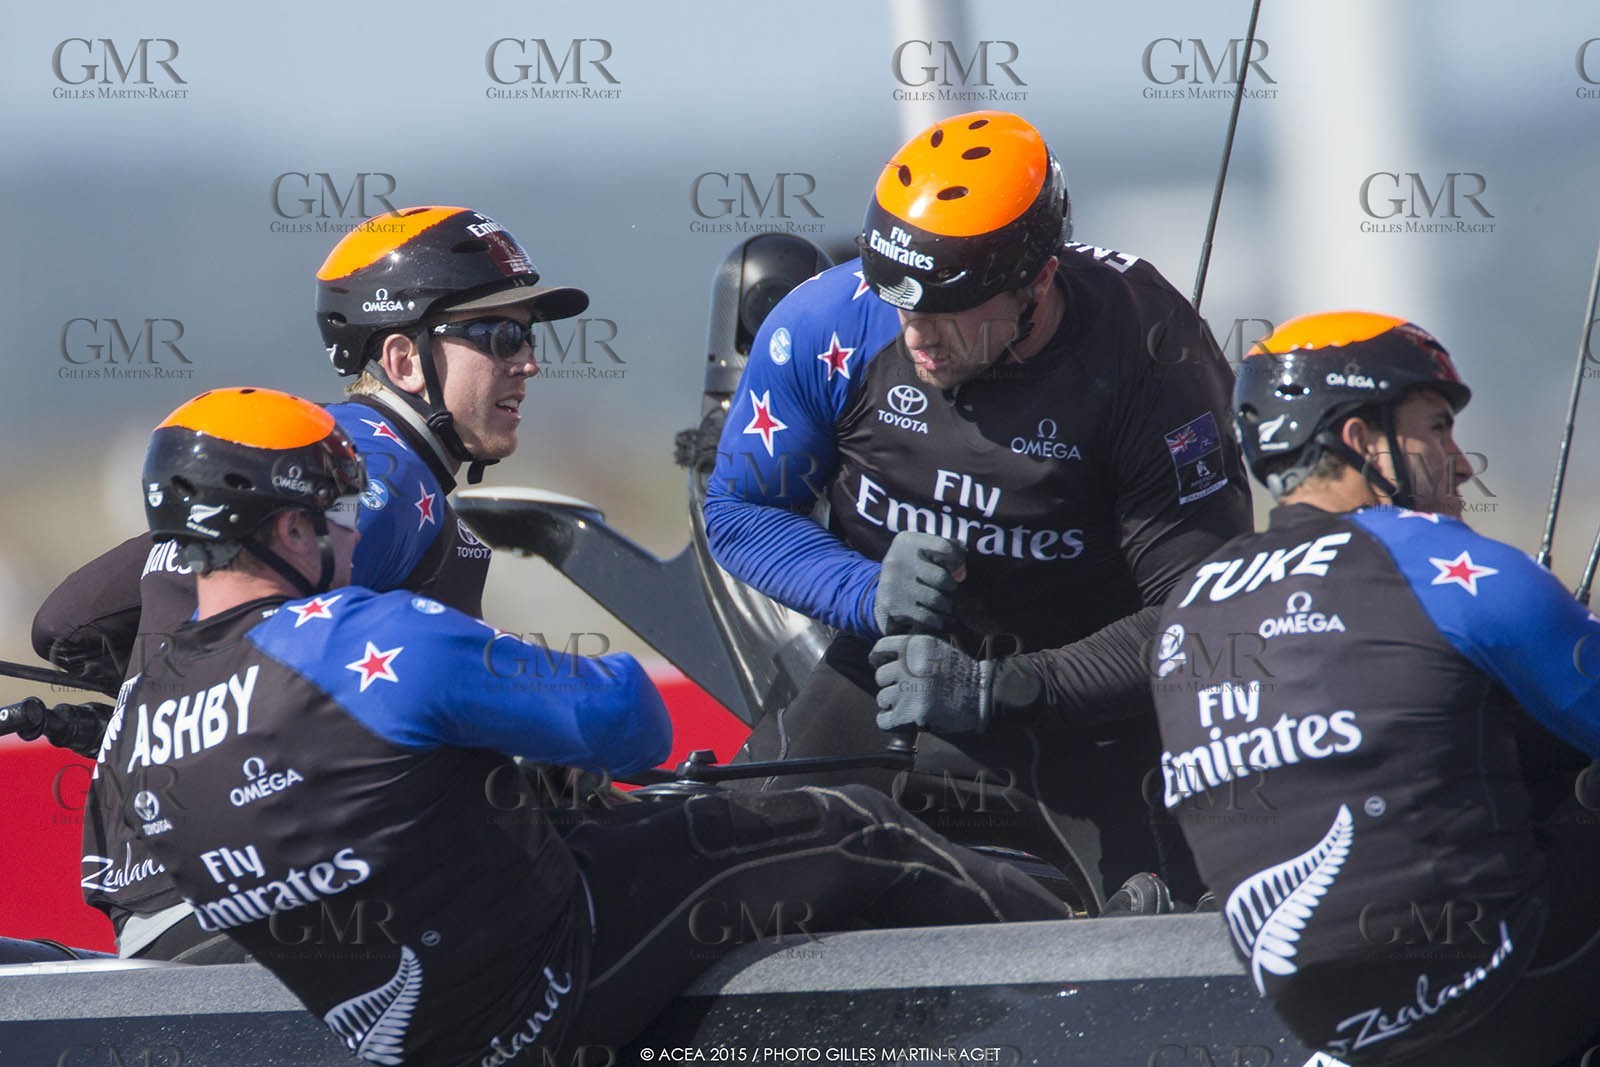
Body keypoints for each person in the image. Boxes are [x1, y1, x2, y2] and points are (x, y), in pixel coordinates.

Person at [96, 387, 1067, 1065]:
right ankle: (1074, 968)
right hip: (552, 984)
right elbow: (631, 720)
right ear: (285, 527)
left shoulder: (140, 719)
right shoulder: (363, 639)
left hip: (398, 1026)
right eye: (335, 511)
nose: (353, 533)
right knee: (851, 822)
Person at [703, 110, 1253, 908]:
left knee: (1149, 944)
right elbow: (741, 509)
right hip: (891, 670)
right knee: (727, 880)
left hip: (1095, 703)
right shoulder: (828, 323)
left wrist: (1007, 687)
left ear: (1036, 282)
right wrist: (863, 589)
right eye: (897, 298)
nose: (915, 331)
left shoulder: (1155, 362)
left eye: (942, 307)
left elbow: (1199, 616)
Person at [51, 205, 589, 961]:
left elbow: (64, 625)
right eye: (500, 336)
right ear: (404, 360)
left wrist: (144, 707)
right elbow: (293, 685)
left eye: (530, 335)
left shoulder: (274, 471)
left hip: (160, 894)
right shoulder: (391, 477)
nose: (528, 361)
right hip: (245, 904)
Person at [1152, 310, 1600, 1065]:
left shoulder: (1190, 599)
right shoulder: (1437, 559)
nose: (1462, 464)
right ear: (1360, 440)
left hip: (1322, 1019)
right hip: (1507, 986)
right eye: (1437, 428)